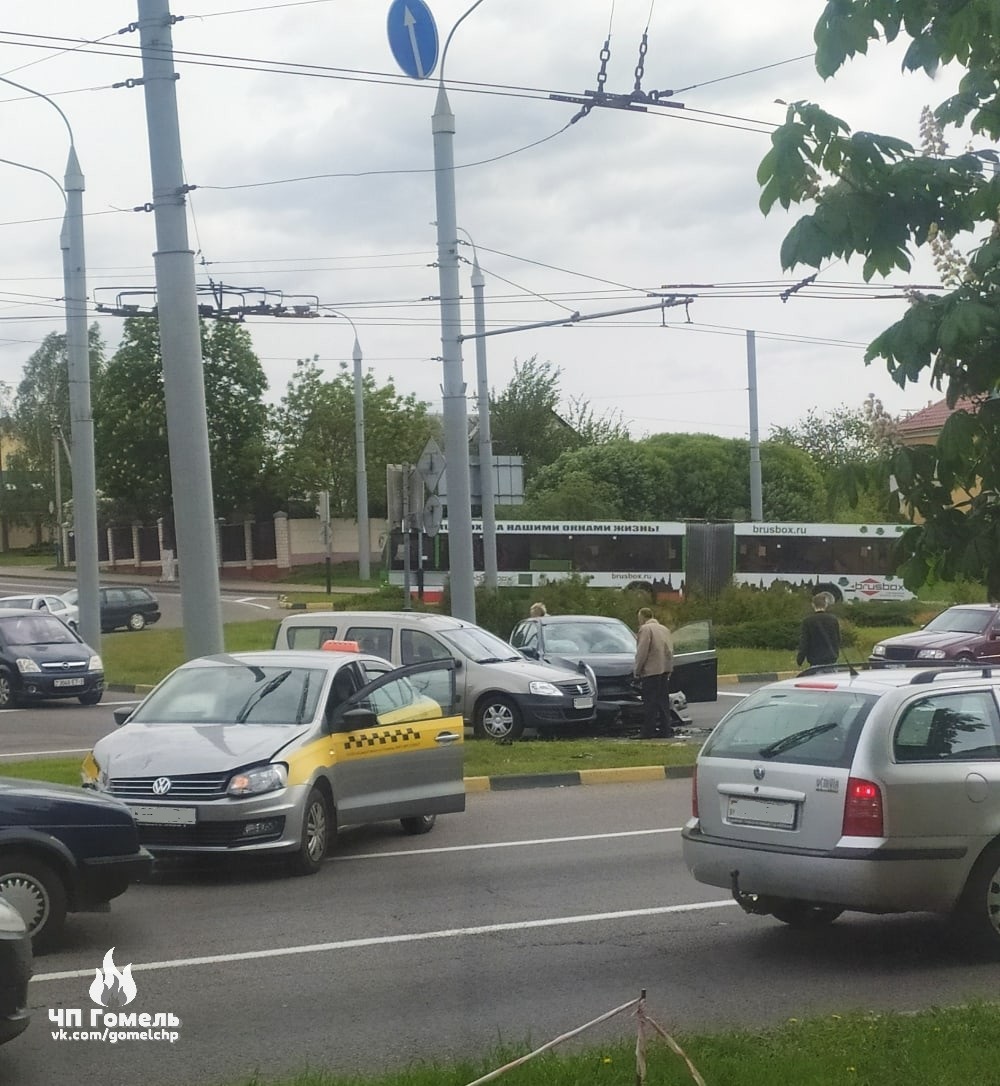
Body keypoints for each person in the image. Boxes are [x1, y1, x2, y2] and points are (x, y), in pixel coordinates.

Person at [633, 607, 674, 739]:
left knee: (650, 703)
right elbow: (670, 651)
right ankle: (665, 729)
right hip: (664, 670)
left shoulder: (645, 629)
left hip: (651, 671)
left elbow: (642, 651)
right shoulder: (664, 629)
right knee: (663, 702)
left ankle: (647, 732)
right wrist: (669, 669)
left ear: (642, 617)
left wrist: (637, 670)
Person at [796, 591, 841, 670]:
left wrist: (800, 659)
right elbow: (838, 639)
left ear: (813, 605)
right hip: (831, 660)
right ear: (826, 605)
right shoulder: (833, 620)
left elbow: (804, 642)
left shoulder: (808, 621)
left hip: (816, 661)